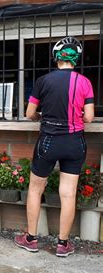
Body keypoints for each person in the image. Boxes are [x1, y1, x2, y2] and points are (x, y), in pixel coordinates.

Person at [14, 36, 94, 257]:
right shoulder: (85, 82)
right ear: (75, 59)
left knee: (35, 188)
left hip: (48, 140)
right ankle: (63, 244)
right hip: (75, 141)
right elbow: (89, 117)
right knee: (68, 194)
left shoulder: (43, 81)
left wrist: (40, 115)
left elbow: (30, 113)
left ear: (56, 58)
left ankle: (30, 239)